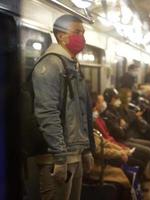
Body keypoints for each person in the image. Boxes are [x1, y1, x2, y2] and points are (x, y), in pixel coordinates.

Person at [32, 15, 94, 200]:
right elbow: (47, 113)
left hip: (74, 154)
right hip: (57, 158)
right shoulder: (51, 65)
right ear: (61, 36)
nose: (82, 37)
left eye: (83, 32)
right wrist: (60, 157)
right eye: (77, 32)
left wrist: (86, 149)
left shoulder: (72, 65)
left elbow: (80, 113)